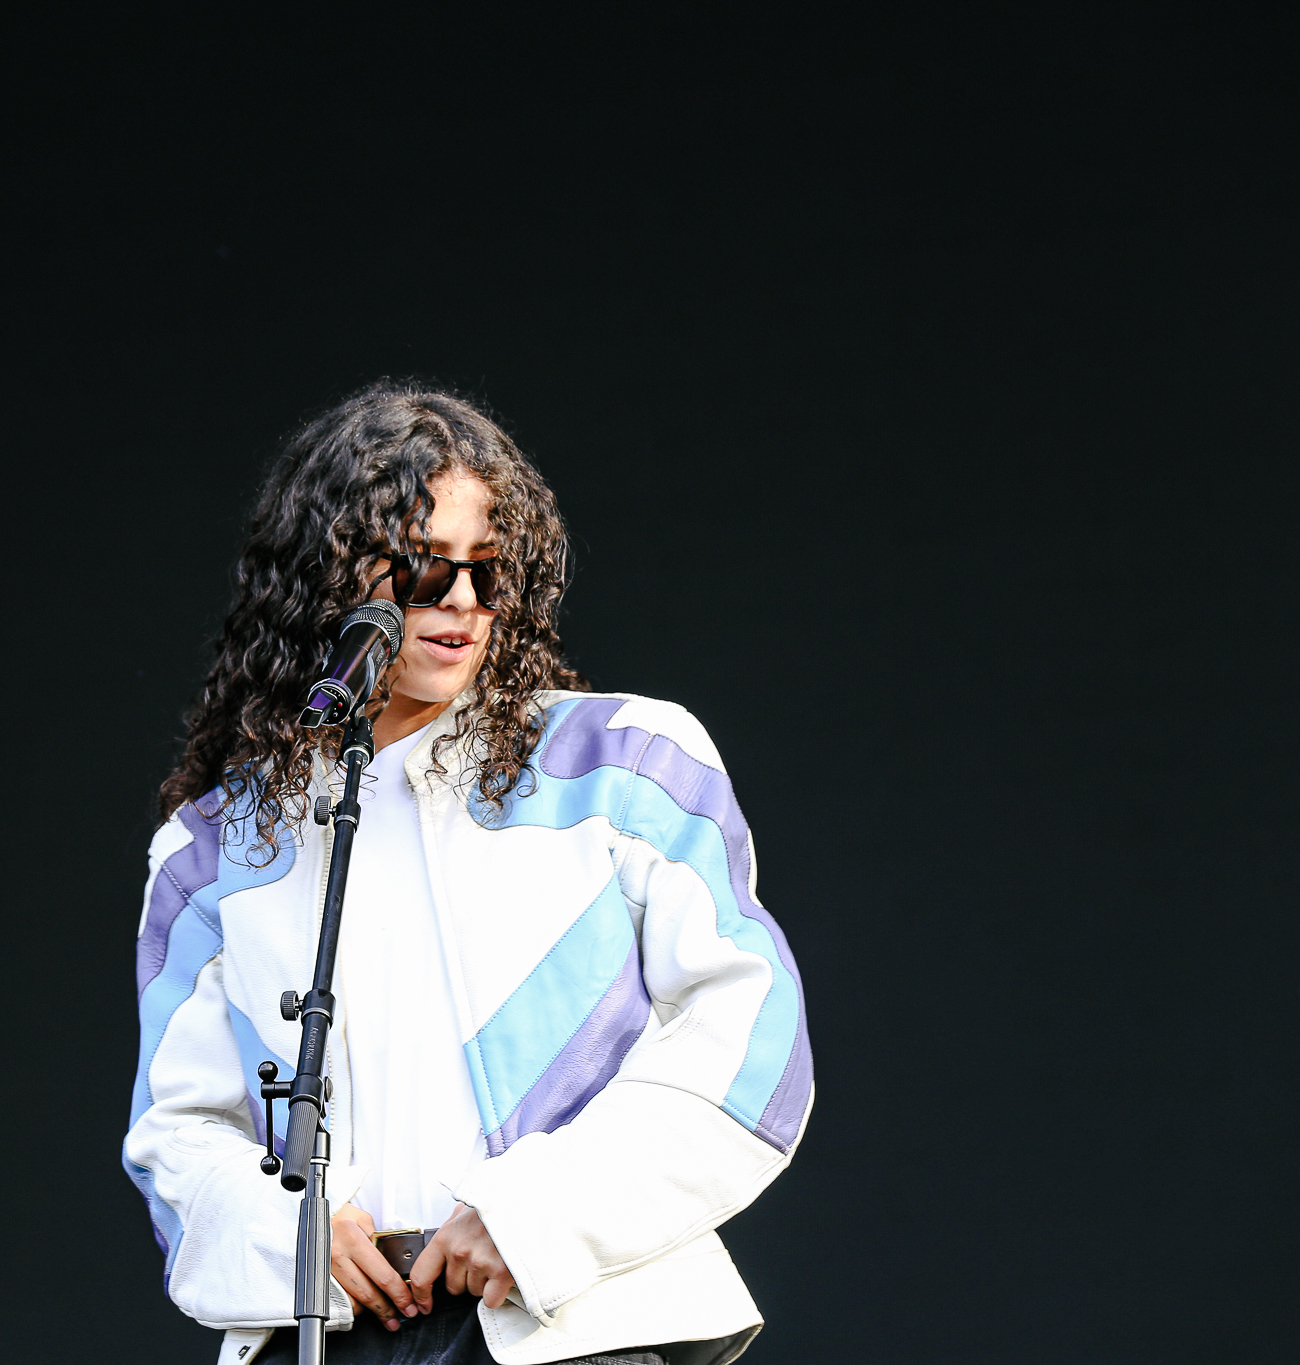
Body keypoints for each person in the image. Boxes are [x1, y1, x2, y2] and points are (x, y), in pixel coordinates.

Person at [126, 383, 813, 1365]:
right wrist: (291, 1237)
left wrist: (531, 1217)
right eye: (418, 565)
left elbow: (751, 1045)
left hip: (571, 1325)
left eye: (486, 570)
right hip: (322, 1335)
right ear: (323, 574)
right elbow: (176, 1130)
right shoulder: (210, 849)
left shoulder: (625, 761)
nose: (458, 599)